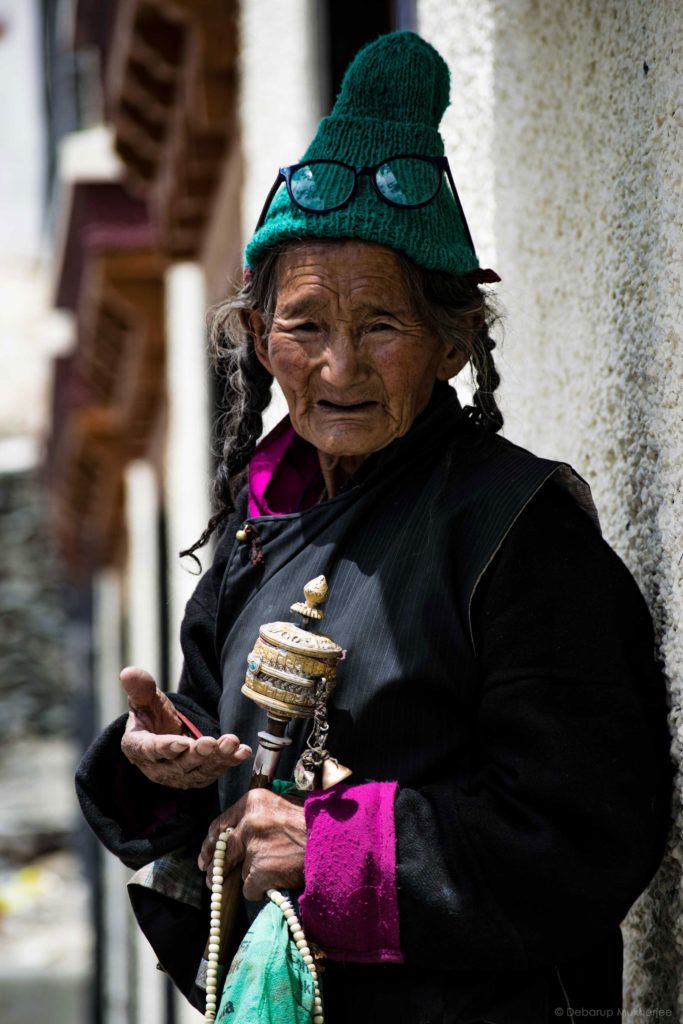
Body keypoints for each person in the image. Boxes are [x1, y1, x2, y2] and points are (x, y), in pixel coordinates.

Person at [76, 31, 671, 1024]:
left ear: (448, 344)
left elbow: (588, 825)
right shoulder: (256, 540)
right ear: (261, 340)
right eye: (304, 325)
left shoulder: (516, 536)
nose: (338, 368)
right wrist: (157, 759)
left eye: (380, 327)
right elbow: (209, 810)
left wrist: (327, 851)